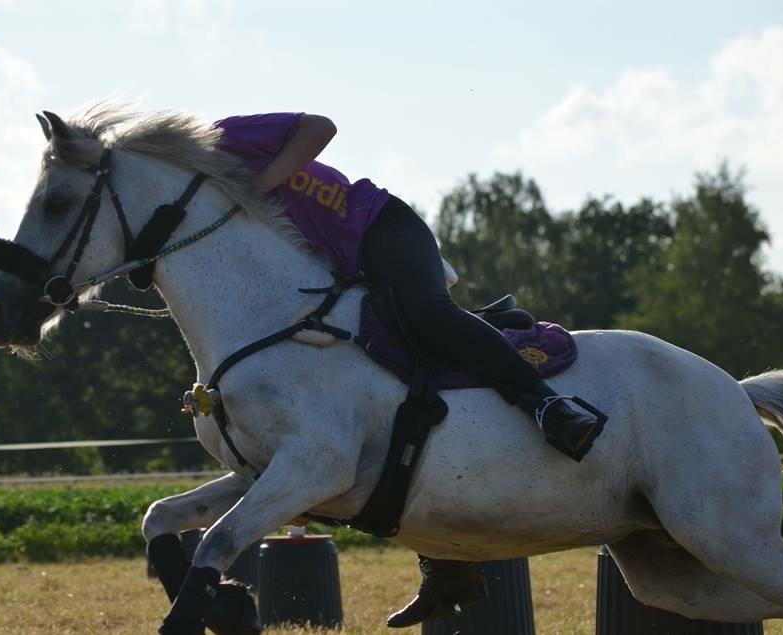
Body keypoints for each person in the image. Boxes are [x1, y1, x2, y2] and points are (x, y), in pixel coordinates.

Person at [215, 113, 605, 627]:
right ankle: (445, 573)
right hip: (347, 272)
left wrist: (260, 184)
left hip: (385, 227)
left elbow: (321, 127)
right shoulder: (200, 202)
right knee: (392, 392)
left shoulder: (222, 137)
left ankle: (550, 406)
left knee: (427, 313)